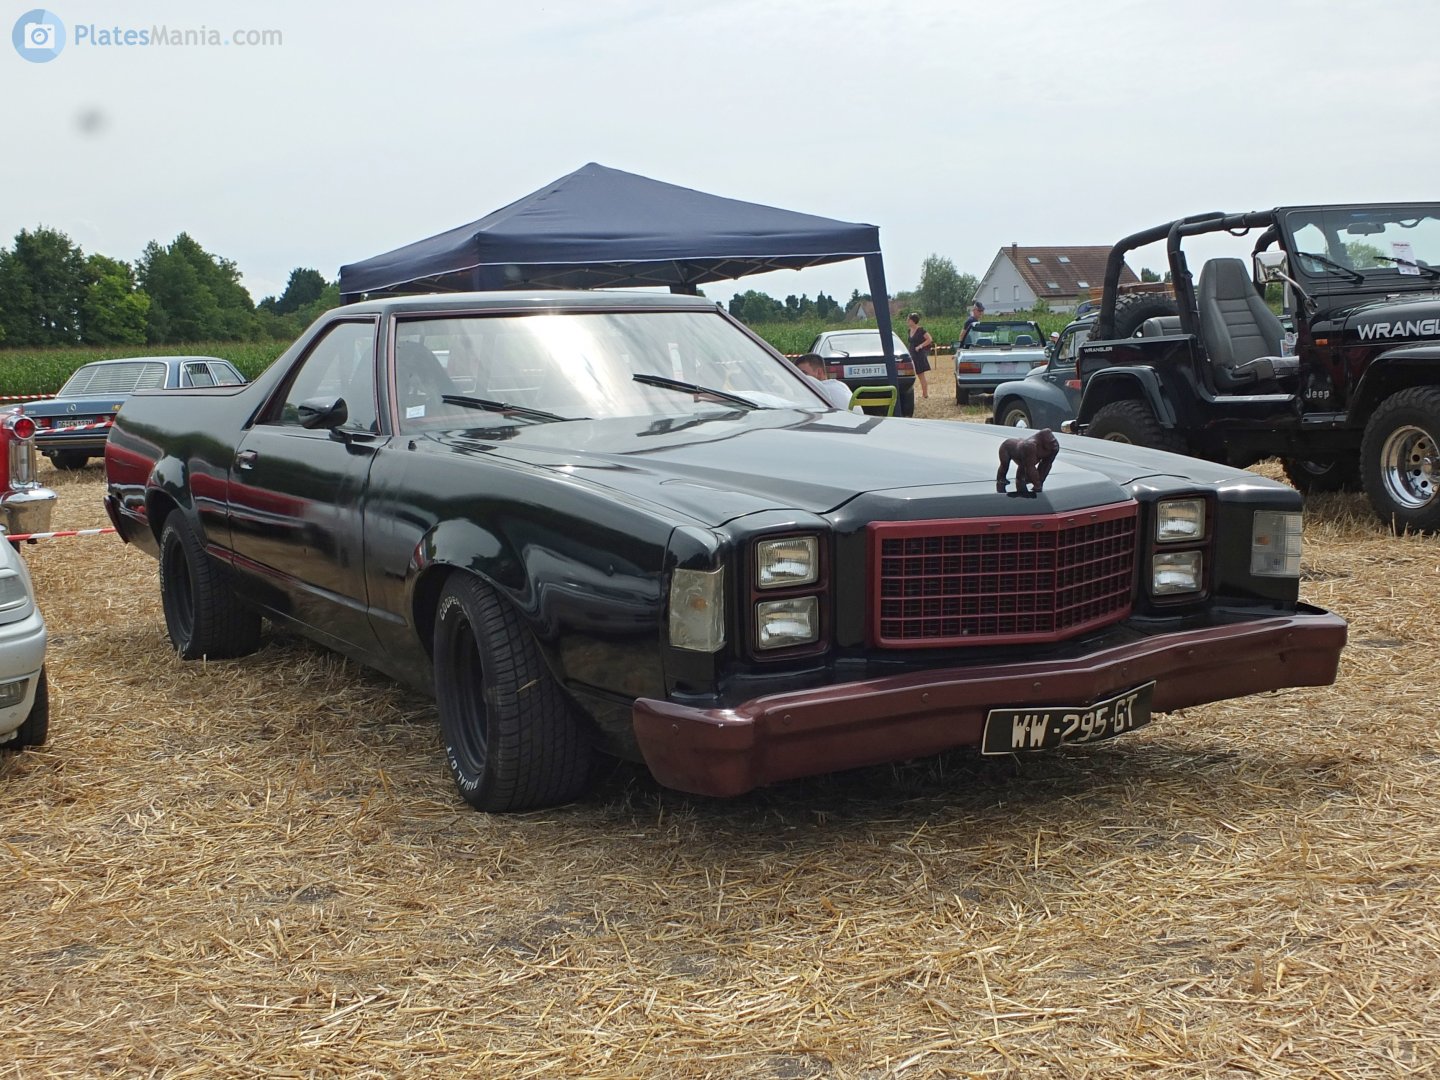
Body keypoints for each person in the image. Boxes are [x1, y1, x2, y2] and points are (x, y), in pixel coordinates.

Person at [906, 313, 933, 400]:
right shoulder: (909, 330)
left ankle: (925, 394)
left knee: (921, 375)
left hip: (919, 355)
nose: (907, 321)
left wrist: (920, 346)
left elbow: (929, 339)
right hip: (911, 354)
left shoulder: (921, 330)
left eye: (908, 319)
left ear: (913, 321)